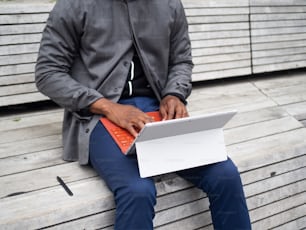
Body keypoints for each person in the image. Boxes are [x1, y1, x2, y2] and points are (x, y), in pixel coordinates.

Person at [35, 0, 251, 229]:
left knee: (225, 174)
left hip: (158, 110)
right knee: (137, 190)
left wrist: (174, 94)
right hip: (98, 114)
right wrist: (108, 107)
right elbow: (48, 73)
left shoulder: (169, 4)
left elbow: (181, 61)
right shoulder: (74, 4)